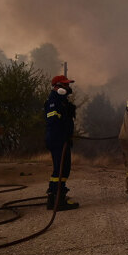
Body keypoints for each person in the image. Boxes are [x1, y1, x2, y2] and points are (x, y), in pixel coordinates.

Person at [44, 74, 79, 210]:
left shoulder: (61, 101)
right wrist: (63, 136)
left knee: (63, 169)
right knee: (60, 170)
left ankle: (56, 198)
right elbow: (54, 123)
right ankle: (57, 200)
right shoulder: (54, 102)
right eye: (66, 84)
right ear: (58, 87)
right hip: (58, 140)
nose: (68, 87)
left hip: (61, 139)